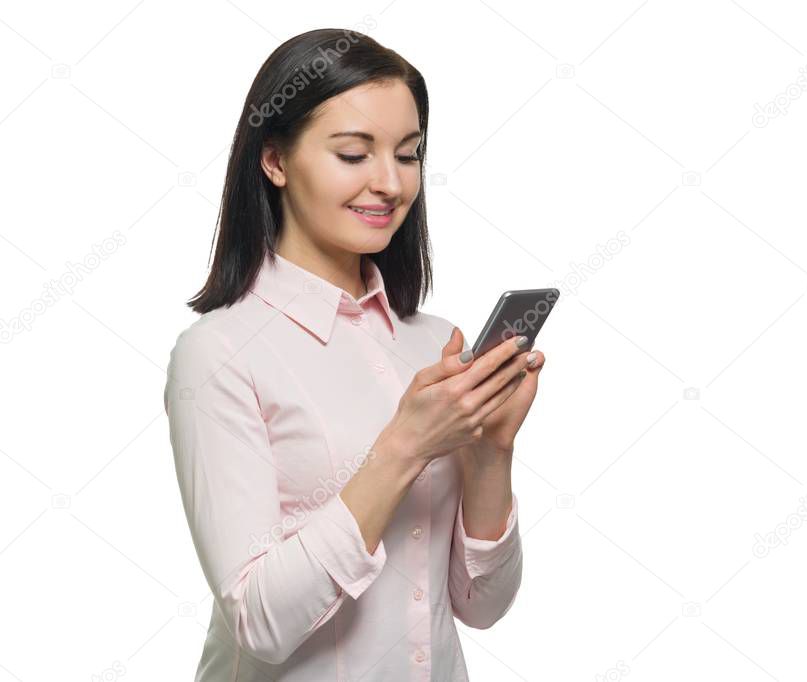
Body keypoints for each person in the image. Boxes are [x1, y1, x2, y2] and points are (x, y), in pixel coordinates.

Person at [163, 28, 546, 681]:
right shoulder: (219, 354)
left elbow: (481, 606)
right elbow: (258, 623)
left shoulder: (432, 344)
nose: (389, 183)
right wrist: (403, 446)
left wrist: (490, 452)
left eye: (408, 154)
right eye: (352, 154)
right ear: (274, 160)